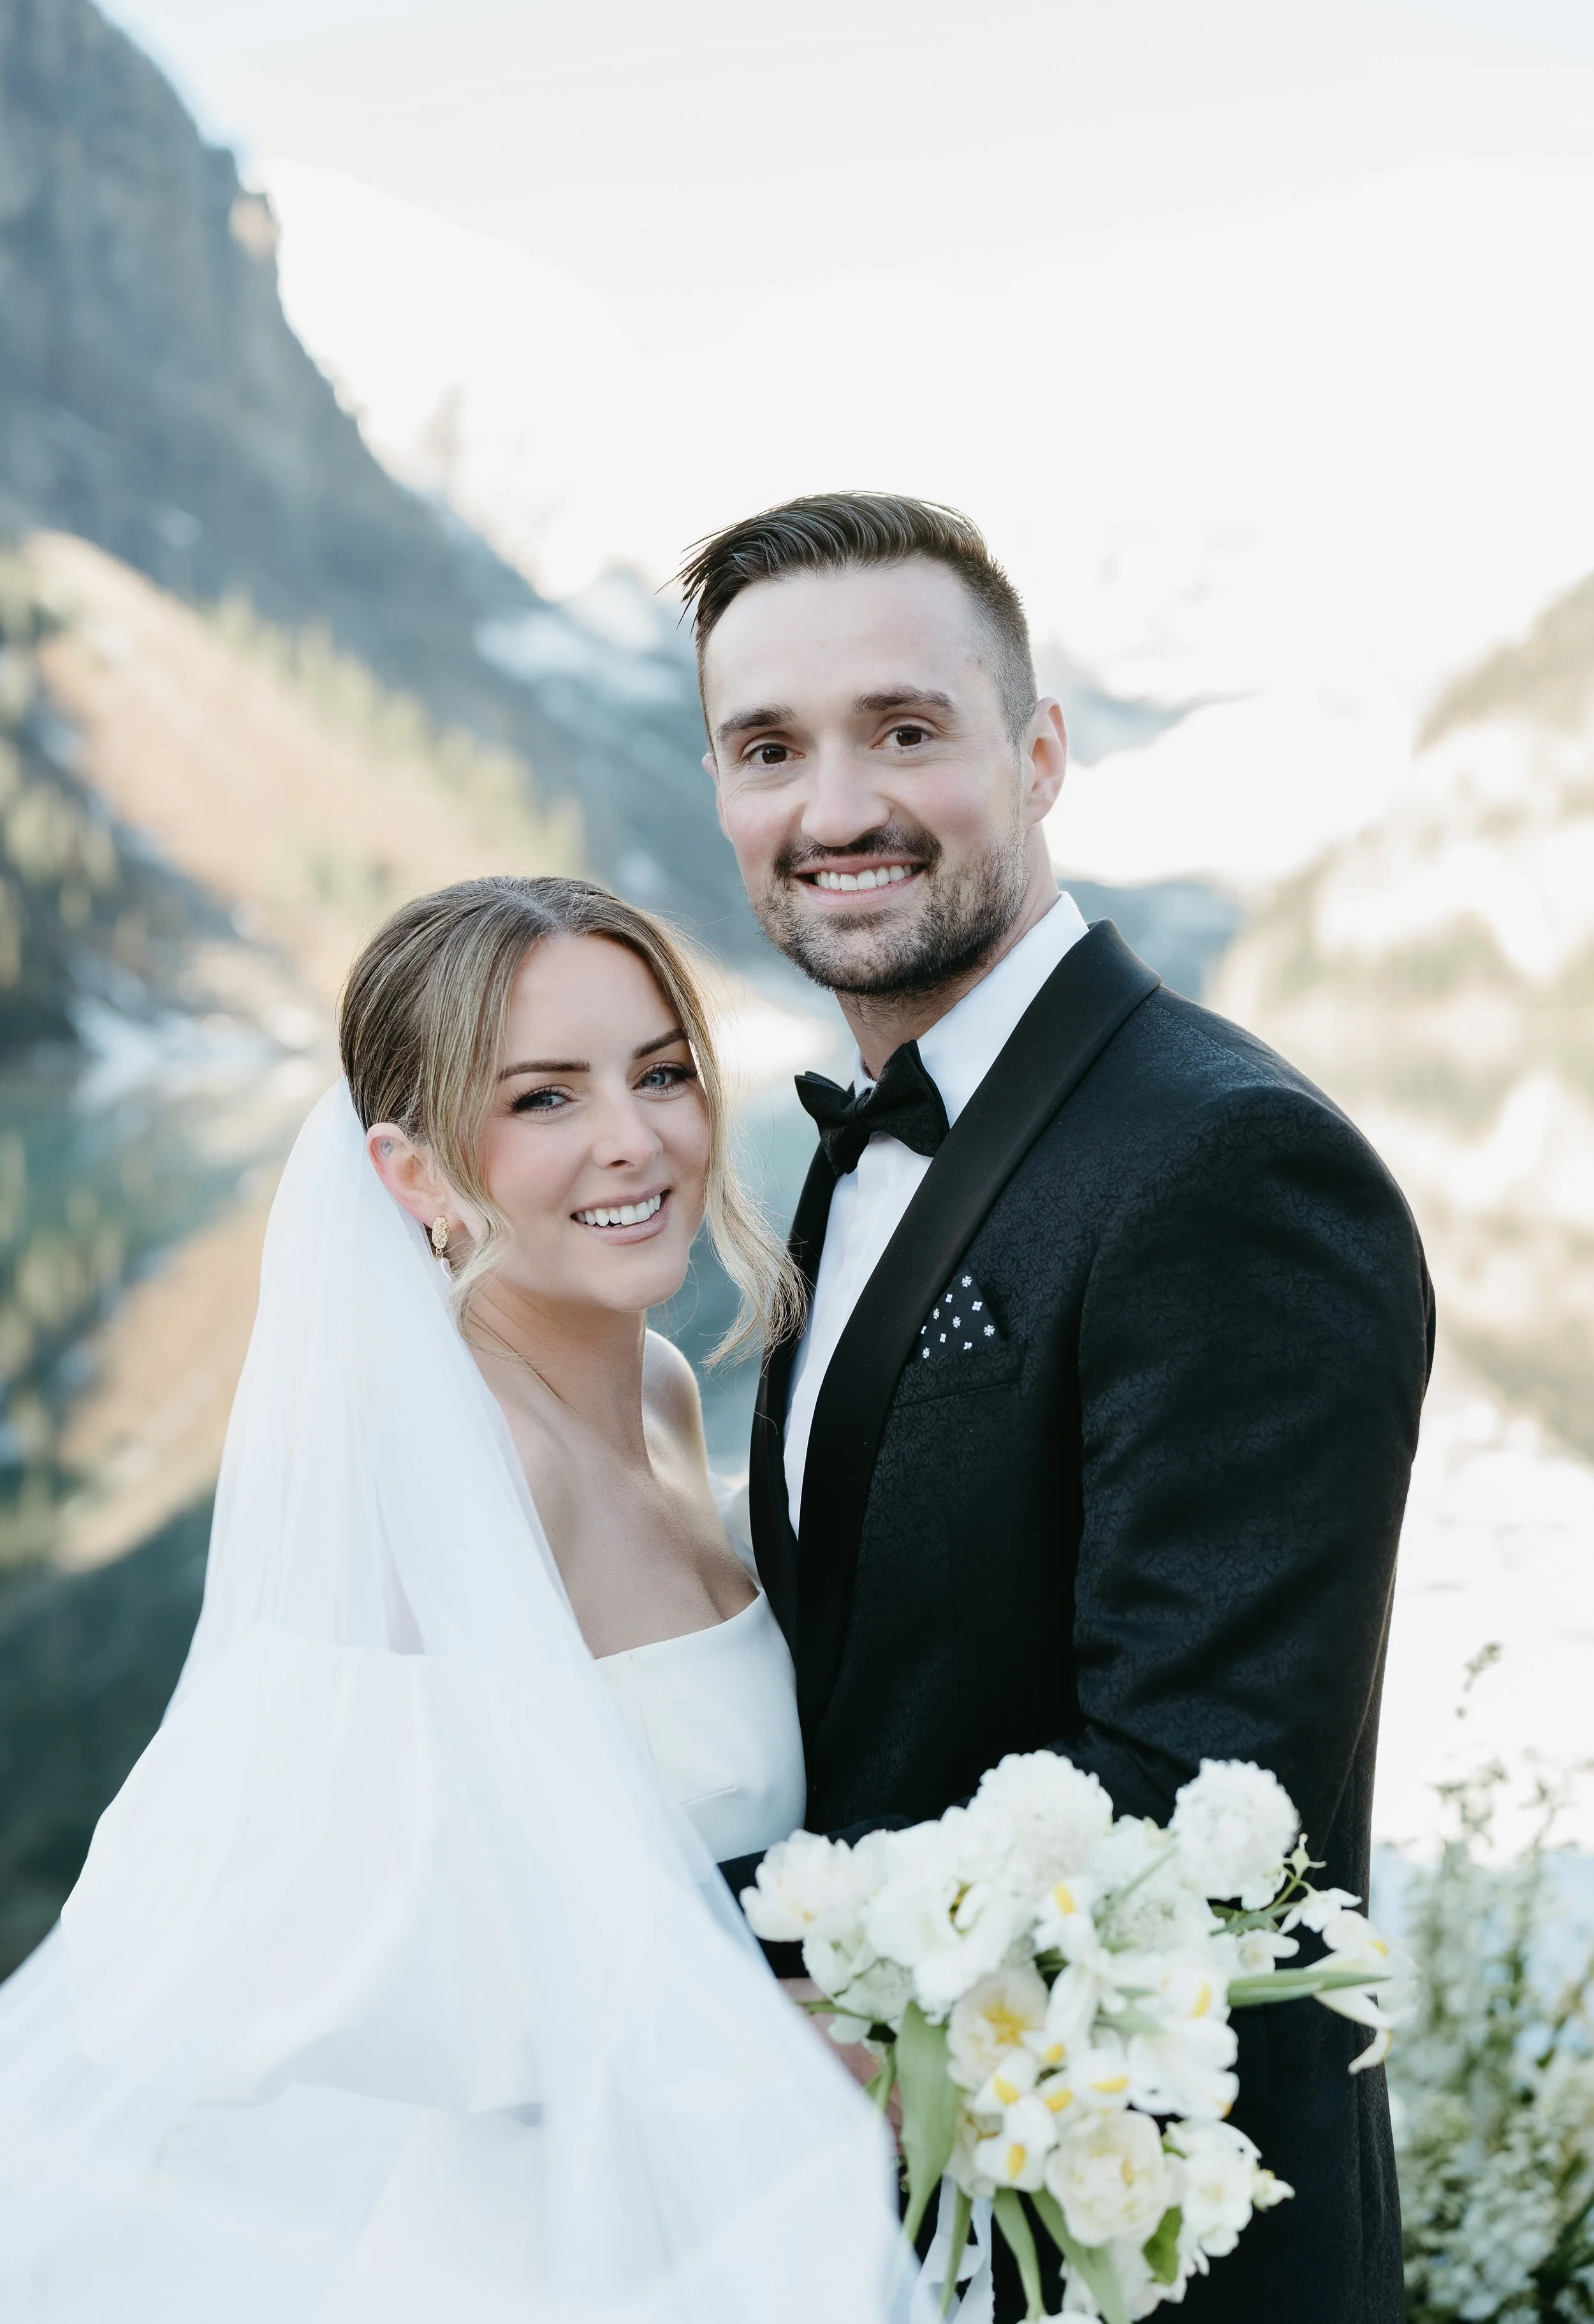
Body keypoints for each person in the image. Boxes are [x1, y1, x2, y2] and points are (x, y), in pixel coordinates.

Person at [683, 493, 1435, 2324]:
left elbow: (1199, 1797)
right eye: (768, 748)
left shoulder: (1226, 1163)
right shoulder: (870, 1145)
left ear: (1035, 756)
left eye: (903, 729)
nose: (834, 807)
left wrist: (690, 1948)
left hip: (1147, 2242)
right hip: (890, 2218)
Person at [0, 875, 896, 2323]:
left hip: (736, 2208)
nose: (635, 1138)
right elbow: (341, 1956)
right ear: (413, 1175)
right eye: (544, 1098)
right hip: (557, 2253)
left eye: (662, 1071)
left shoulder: (662, 1395)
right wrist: (765, 2034)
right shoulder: (453, 1470)